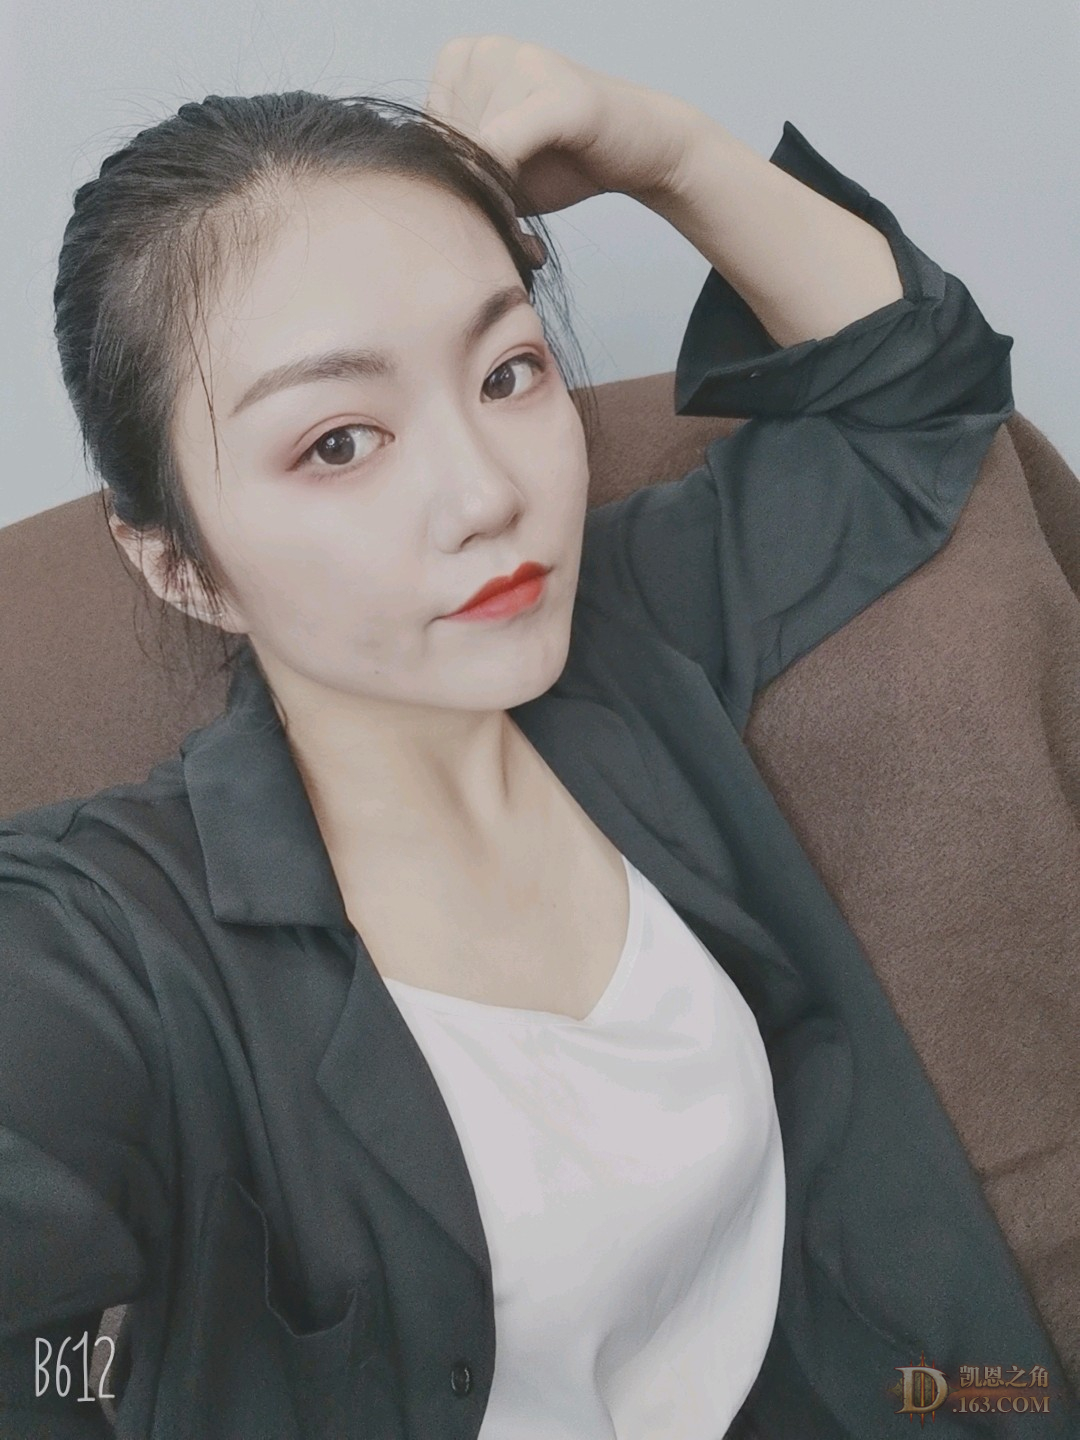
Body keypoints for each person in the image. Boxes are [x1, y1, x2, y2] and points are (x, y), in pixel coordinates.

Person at [1, 32, 1073, 1440]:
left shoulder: (630, 636)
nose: (487, 495)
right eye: (338, 441)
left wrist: (660, 151)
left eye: (508, 372)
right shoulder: (105, 943)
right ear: (179, 566)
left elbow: (915, 398)